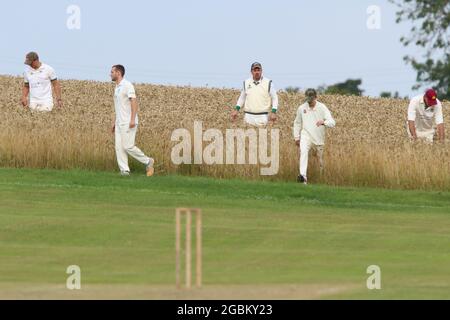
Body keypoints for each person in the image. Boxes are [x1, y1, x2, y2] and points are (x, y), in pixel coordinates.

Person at [110, 65, 155, 177]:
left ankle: (148, 161)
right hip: (119, 123)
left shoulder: (127, 85)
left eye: (112, 72)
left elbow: (134, 102)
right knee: (119, 147)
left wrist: (132, 119)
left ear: (118, 73)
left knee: (128, 146)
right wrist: (114, 122)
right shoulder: (117, 87)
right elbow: (119, 106)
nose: (110, 74)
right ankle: (124, 171)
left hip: (128, 122)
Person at [293, 89, 335, 184]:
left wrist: (324, 122)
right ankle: (303, 178)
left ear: (316, 97)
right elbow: (297, 123)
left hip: (318, 139)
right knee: (303, 152)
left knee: (319, 161)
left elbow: (332, 122)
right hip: (306, 135)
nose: (309, 102)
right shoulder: (301, 108)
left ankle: (321, 179)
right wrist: (296, 137)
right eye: (308, 99)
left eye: (311, 99)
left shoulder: (322, 107)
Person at [231, 62, 279, 126]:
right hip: (248, 116)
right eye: (255, 70)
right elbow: (242, 98)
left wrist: (273, 112)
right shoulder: (246, 82)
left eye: (258, 70)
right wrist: (236, 110)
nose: (257, 72)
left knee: (262, 135)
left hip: (262, 116)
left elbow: (275, 98)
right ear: (251, 72)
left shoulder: (268, 83)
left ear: (261, 71)